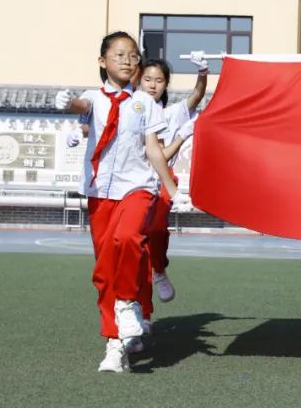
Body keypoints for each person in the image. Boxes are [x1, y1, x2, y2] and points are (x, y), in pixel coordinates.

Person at [54, 32, 192, 374]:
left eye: (133, 56)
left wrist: (174, 190)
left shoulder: (144, 103)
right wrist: (68, 102)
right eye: (119, 55)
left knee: (129, 238)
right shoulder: (94, 99)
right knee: (104, 272)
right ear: (102, 62)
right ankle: (114, 343)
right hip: (100, 192)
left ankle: (129, 303)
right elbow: (83, 108)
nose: (128, 61)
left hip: (138, 187)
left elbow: (153, 150)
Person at [137, 54, 209, 304]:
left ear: (166, 85)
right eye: (147, 79)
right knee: (133, 247)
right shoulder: (129, 110)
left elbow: (197, 96)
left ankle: (159, 269)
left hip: (161, 183)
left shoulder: (172, 114)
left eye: (159, 80)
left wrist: (202, 72)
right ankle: (140, 312)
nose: (152, 85)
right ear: (138, 81)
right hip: (131, 183)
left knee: (156, 230)